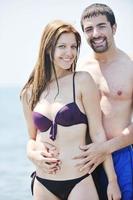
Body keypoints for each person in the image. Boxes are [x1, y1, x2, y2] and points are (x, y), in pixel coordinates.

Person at [20, 20, 121, 200]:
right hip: (43, 183)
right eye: (62, 46)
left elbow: (98, 133)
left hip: (79, 181)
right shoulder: (30, 91)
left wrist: (112, 180)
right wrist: (32, 155)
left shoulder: (82, 81)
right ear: (48, 49)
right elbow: (32, 138)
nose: (70, 53)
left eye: (74, 46)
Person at [73, 3, 133, 200]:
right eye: (89, 29)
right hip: (85, 156)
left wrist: (106, 148)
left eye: (101, 26)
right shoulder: (79, 68)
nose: (95, 33)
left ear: (114, 28)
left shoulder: (130, 66)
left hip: (120, 155)